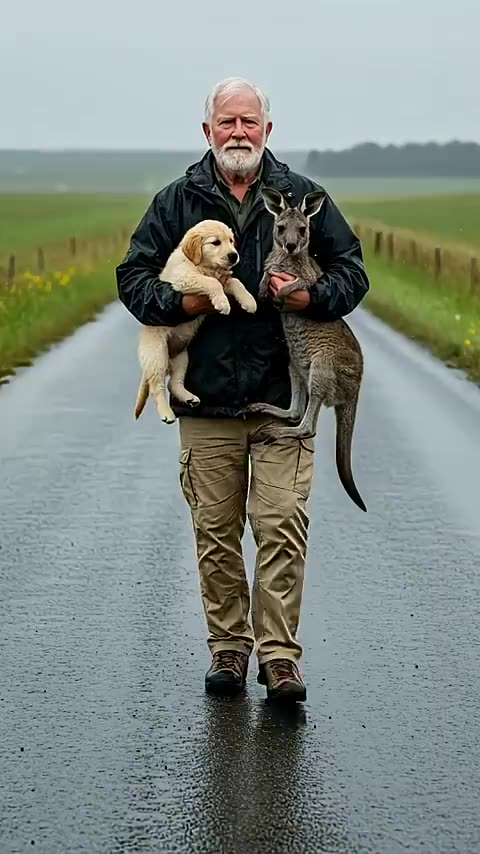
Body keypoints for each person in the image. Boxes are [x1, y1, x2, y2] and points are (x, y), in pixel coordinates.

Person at [116, 77, 369, 703]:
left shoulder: (304, 198)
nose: (238, 133)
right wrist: (188, 301)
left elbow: (353, 273)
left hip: (283, 394)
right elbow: (132, 280)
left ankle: (280, 658)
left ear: (267, 131)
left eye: (248, 122)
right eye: (226, 122)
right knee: (216, 530)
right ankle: (229, 650)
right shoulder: (176, 201)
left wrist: (312, 297)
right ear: (207, 131)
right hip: (205, 396)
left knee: (282, 524)